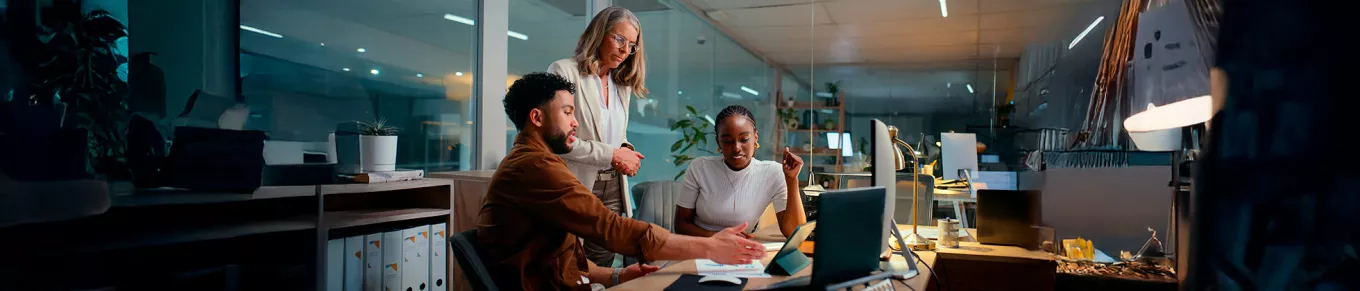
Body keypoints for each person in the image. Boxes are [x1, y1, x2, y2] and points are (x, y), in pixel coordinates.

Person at [477, 72, 766, 290]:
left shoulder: (536, 161)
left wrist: (616, 274)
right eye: (567, 112)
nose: (575, 121)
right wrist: (711, 247)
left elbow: (562, 259)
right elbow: (610, 228)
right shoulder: (534, 166)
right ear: (537, 118)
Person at [546, 6, 648, 266]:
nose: (625, 50)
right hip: (576, 181)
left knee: (603, 261)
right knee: (570, 261)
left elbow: (614, 134)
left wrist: (625, 150)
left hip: (613, 184)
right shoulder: (564, 71)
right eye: (620, 39)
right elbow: (558, 140)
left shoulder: (620, 84)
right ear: (599, 33)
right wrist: (613, 153)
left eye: (632, 45)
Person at [675, 105, 808, 239]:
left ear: (756, 137)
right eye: (727, 141)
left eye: (744, 139)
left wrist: (791, 180)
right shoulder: (701, 167)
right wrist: (718, 238)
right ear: (718, 142)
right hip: (699, 248)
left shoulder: (772, 173)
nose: (736, 148)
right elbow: (680, 224)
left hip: (739, 252)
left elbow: (795, 234)